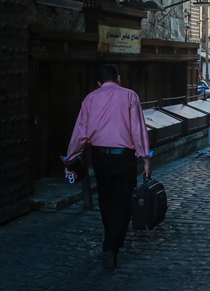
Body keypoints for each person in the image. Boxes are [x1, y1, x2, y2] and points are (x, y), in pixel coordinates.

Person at [63, 64, 151, 270]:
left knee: (105, 199)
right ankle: (112, 245)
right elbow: (138, 129)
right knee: (123, 200)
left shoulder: (90, 99)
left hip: (100, 157)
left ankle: (109, 241)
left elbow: (80, 132)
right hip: (124, 157)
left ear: (98, 82)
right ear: (119, 79)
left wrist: (70, 159)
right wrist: (146, 158)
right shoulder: (130, 96)